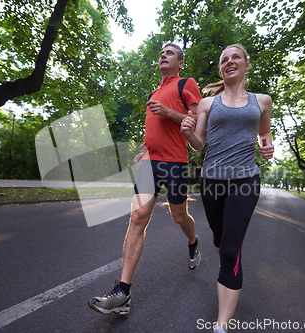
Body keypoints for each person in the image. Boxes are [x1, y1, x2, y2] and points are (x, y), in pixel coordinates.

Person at [88, 42, 203, 315]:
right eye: (162, 52)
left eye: (170, 53)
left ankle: (193, 242)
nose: (163, 55)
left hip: (175, 162)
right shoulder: (155, 91)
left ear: (180, 62)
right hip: (150, 162)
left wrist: (168, 112)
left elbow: (195, 123)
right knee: (137, 218)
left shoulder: (186, 84)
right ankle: (123, 293)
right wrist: (144, 150)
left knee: (178, 216)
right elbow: (153, 127)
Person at [180, 44, 274, 332]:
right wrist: (186, 132)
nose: (229, 62)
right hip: (212, 181)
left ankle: (221, 325)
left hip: (246, 180)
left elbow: (265, 133)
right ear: (221, 69)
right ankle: (222, 247)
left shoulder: (262, 101)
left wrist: (267, 147)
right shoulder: (209, 104)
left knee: (232, 250)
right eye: (224, 60)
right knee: (221, 241)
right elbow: (199, 144)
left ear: (246, 65)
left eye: (235, 57)